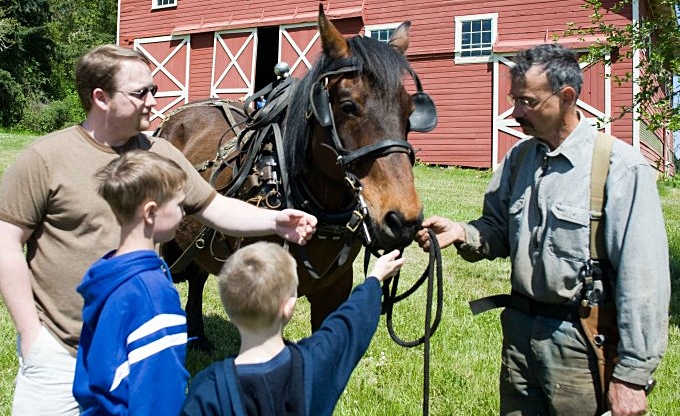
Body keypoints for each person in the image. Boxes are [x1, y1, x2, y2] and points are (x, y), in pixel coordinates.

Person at [0, 44, 316, 416]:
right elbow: (6, 243)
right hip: (61, 353)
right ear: (100, 97)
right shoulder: (46, 159)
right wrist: (33, 337)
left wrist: (275, 220)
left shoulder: (160, 152)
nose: (154, 100)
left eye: (154, 89)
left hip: (141, 349)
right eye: (141, 93)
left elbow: (212, 206)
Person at [416, 43, 669, 416]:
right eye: (513, 100)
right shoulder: (519, 160)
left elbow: (644, 281)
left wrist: (631, 376)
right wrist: (460, 232)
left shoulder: (618, 167)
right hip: (519, 335)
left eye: (527, 102)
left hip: (583, 342)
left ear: (566, 97)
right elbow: (498, 229)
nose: (515, 113)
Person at [180, 242, 404, 416]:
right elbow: (351, 322)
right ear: (290, 306)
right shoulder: (317, 364)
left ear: (228, 309)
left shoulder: (208, 389)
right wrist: (375, 278)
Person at [73, 150, 191, 415]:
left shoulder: (106, 273)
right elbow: (158, 398)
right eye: (180, 205)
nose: (184, 214)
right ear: (150, 212)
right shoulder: (152, 294)